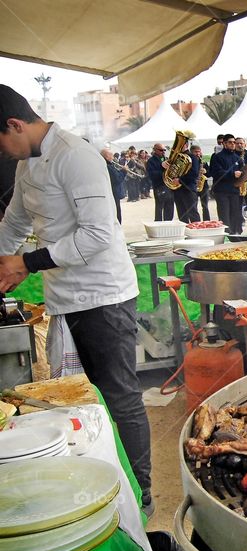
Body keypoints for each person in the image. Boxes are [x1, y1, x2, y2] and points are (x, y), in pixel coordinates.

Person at [0, 85, 153, 513]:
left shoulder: (76, 156)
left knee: (120, 394)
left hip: (103, 296)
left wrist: (26, 263)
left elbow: (99, 235)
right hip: (64, 298)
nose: (4, 153)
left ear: (15, 125)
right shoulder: (27, 163)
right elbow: (14, 223)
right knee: (85, 396)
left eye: (2, 143)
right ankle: (104, 479)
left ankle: (140, 495)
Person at [210, 133, 244, 234]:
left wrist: (244, 175)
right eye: (230, 142)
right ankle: (226, 235)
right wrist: (232, 174)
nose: (233, 144)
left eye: (234, 142)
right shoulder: (217, 157)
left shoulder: (237, 158)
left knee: (235, 214)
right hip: (222, 191)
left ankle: (234, 234)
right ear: (224, 143)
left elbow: (243, 170)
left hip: (234, 190)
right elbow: (216, 173)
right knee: (224, 215)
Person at [169, 138, 201, 223]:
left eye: (180, 145)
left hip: (188, 189)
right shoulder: (175, 157)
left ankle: (196, 234)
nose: (177, 147)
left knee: (193, 214)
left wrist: (180, 180)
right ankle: (185, 234)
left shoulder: (192, 157)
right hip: (177, 189)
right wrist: (165, 166)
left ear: (186, 145)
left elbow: (194, 173)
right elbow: (171, 171)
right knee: (182, 215)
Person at [146, 142, 175, 221]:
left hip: (168, 186)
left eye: (164, 150)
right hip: (159, 186)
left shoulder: (166, 159)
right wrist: (162, 167)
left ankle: (168, 224)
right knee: (159, 208)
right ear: (155, 150)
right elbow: (151, 175)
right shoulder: (151, 161)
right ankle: (158, 225)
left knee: (170, 207)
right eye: (161, 150)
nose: (163, 152)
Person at [101, 148, 125, 223]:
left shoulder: (109, 165)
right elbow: (117, 179)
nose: (113, 158)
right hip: (113, 192)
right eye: (111, 155)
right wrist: (124, 171)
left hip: (113, 192)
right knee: (116, 213)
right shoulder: (108, 167)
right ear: (107, 157)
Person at [192, 145, 212, 221]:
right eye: (195, 152)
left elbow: (210, 173)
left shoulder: (203, 161)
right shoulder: (190, 161)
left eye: (199, 152)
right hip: (194, 186)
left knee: (205, 206)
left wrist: (206, 171)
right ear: (192, 152)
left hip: (204, 186)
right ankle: (196, 222)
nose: (198, 154)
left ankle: (207, 221)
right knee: (194, 206)